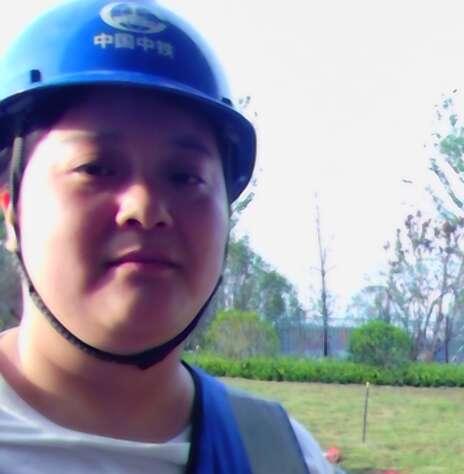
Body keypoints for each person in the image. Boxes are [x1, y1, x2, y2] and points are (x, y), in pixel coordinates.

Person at [0, 1, 334, 472]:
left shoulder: (278, 456)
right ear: (11, 207)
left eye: (185, 177)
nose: (145, 208)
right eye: (96, 167)